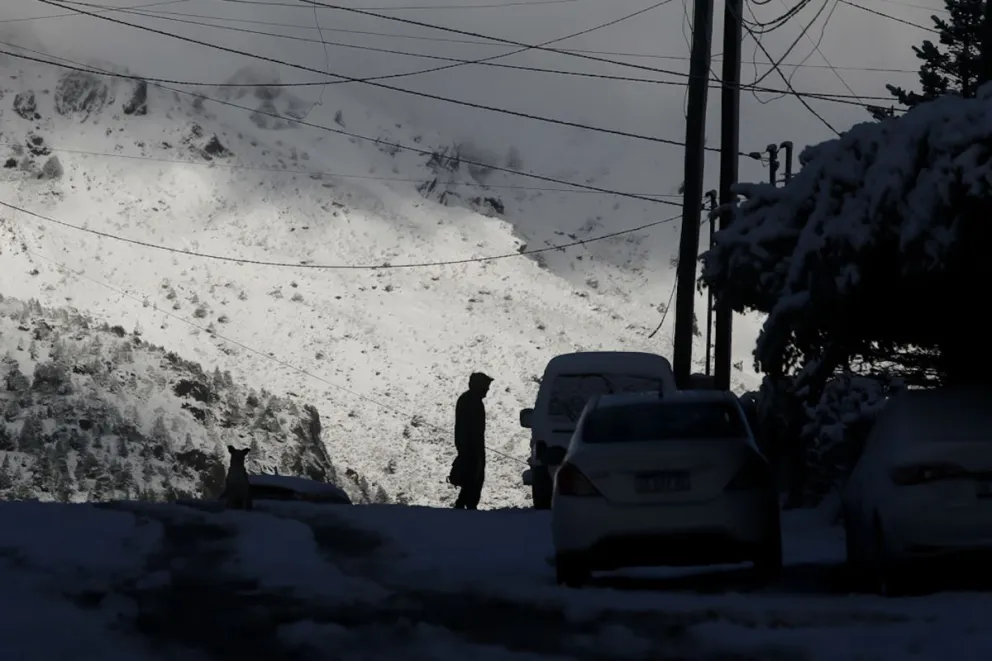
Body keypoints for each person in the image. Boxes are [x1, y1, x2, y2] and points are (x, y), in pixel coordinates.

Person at [452, 371, 493, 509]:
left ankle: (464, 506)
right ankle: (466, 508)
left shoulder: (468, 399)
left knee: (472, 479)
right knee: (473, 479)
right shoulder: (472, 401)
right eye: (486, 386)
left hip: (469, 447)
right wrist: (472, 450)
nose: (488, 389)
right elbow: (471, 429)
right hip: (472, 448)